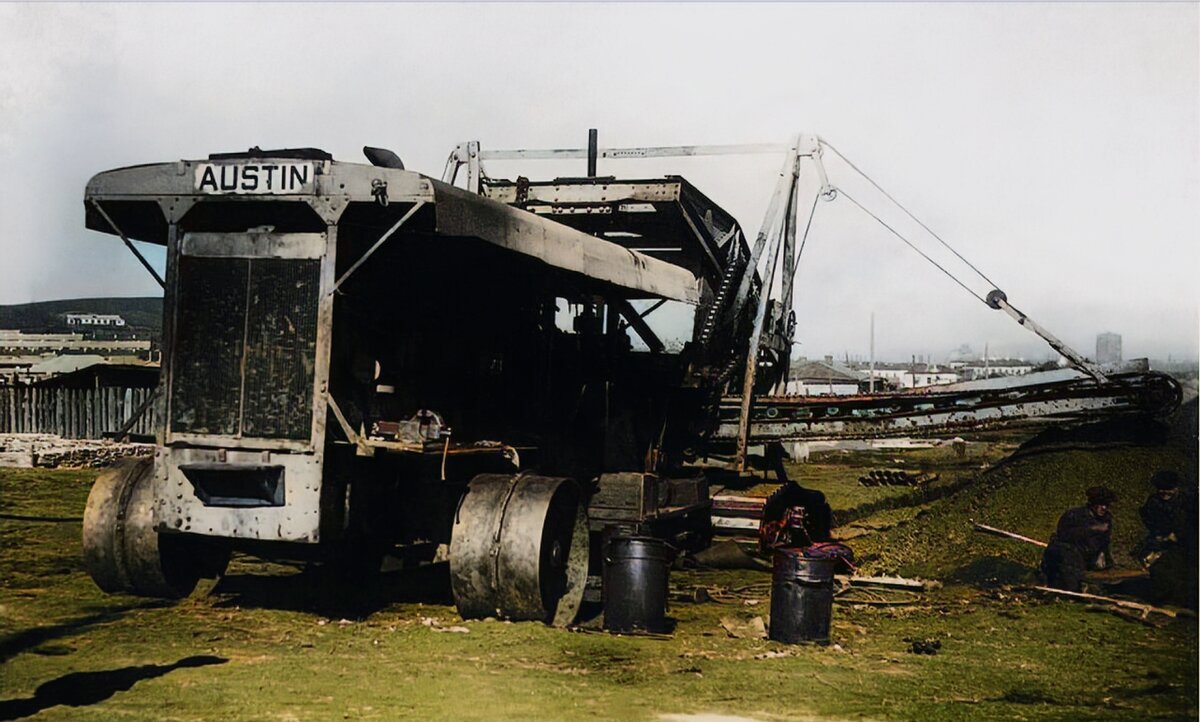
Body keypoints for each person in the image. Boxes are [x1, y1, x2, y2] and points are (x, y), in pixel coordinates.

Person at [1040, 486, 1116, 592]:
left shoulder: (1106, 520)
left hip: (1088, 560)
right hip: (1066, 558)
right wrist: (1092, 529)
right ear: (1092, 503)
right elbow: (1065, 536)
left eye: (1106, 505)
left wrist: (1103, 556)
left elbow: (1104, 542)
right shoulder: (1075, 515)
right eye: (1100, 504)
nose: (1103, 508)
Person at [1137, 470, 1186, 565]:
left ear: (1176, 489)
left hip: (1183, 538)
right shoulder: (1153, 502)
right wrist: (1159, 535)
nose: (1165, 493)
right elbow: (1149, 519)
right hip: (1160, 537)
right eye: (1161, 489)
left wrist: (1177, 534)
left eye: (1169, 489)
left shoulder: (1185, 501)